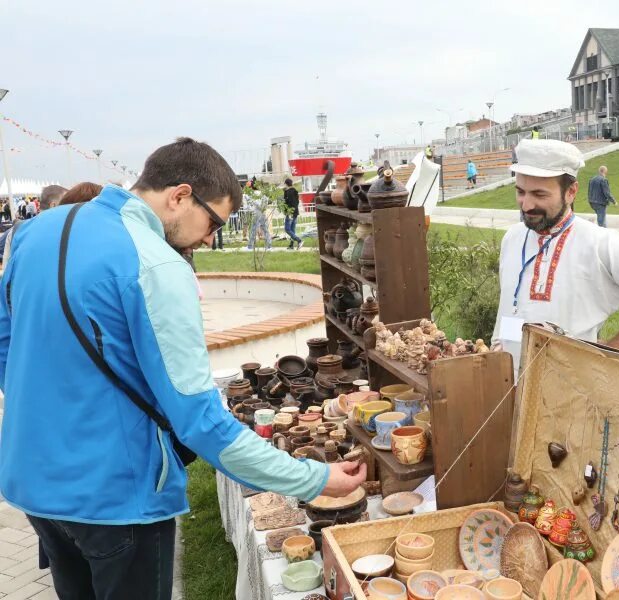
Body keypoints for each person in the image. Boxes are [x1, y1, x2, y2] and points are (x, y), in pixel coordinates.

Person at [0, 137, 365, 599]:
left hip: (33, 481)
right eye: (213, 221)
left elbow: (5, 346)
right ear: (179, 196)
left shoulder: (36, 231)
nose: (211, 238)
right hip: (117, 497)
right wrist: (314, 478)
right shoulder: (156, 264)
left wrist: (54, 411)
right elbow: (202, 424)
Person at [491, 139, 619, 370]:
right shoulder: (513, 238)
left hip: (571, 386)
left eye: (539, 195)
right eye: (520, 192)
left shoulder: (598, 242)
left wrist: (609, 353)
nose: (526, 205)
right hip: (509, 382)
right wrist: (498, 344)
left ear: (571, 192)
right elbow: (510, 303)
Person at [283, 178, 302, 250]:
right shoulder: (295, 191)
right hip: (295, 212)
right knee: (292, 229)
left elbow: (287, 203)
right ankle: (291, 245)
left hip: (290, 212)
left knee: (287, 229)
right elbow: (297, 202)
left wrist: (286, 211)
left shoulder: (287, 192)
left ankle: (299, 240)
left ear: (286, 184)